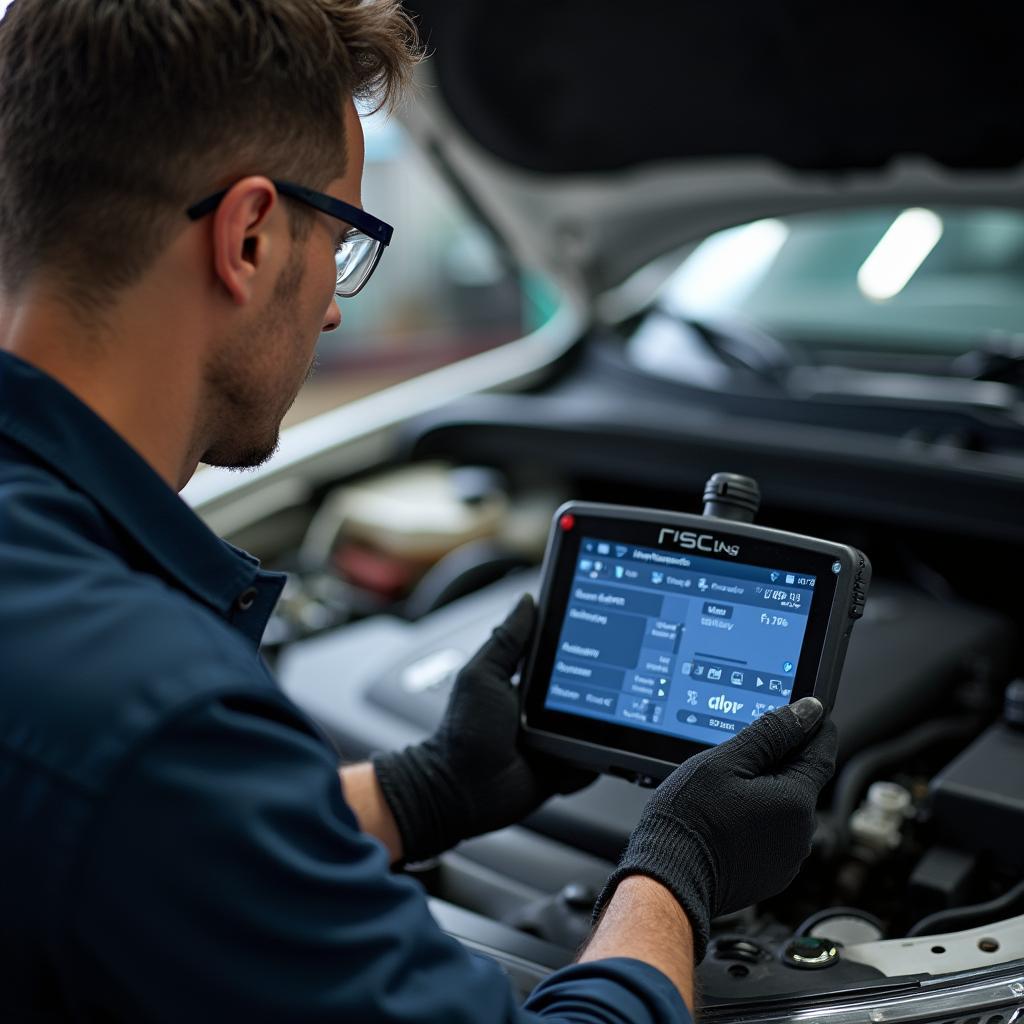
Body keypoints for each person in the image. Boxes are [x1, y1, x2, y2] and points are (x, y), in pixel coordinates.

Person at [0, 1, 837, 1020]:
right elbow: (155, 789)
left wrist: (425, 788)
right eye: (345, 238)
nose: (334, 305)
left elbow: (161, 843)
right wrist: (676, 868)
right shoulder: (148, 703)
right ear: (251, 238)